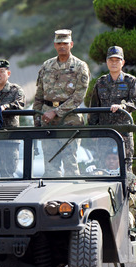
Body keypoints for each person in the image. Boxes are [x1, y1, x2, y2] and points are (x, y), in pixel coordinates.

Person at [33, 29, 90, 176]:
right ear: (54, 45)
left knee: (70, 163)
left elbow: (79, 96)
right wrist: (37, 119)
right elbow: (39, 94)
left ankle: (72, 198)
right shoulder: (47, 65)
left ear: (71, 44)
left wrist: (56, 112)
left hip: (70, 120)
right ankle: (53, 198)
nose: (62, 46)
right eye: (59, 43)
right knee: (51, 165)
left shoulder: (80, 66)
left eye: (65, 43)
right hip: (47, 119)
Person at [88, 46, 136, 172]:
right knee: (103, 166)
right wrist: (93, 131)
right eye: (111, 60)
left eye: (117, 60)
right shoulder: (100, 82)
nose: (114, 63)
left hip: (123, 131)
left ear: (122, 62)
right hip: (104, 132)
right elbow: (94, 107)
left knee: (126, 166)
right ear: (107, 62)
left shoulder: (130, 81)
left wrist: (122, 106)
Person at [0, 59, 25, 177]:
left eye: (1, 71)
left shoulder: (16, 90)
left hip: (9, 139)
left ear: (8, 73)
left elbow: (20, 105)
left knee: (8, 174)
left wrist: (5, 107)